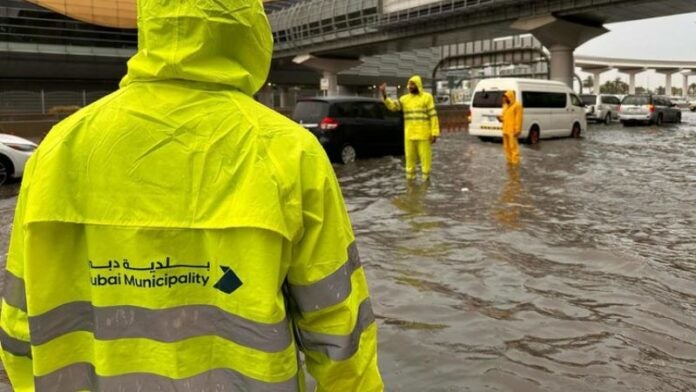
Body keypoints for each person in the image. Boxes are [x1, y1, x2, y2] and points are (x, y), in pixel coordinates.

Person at [0, 1, 384, 391]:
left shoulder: (59, 149)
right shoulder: (289, 152)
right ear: (250, 32)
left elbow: (18, 323)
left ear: (151, 27)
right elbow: (338, 323)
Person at [380, 76, 440, 181]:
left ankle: (425, 182)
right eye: (409, 84)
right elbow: (393, 106)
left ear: (418, 85)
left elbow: (433, 116)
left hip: (424, 134)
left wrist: (434, 133)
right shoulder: (404, 99)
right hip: (409, 135)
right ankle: (410, 183)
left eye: (412, 84)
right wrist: (384, 95)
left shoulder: (427, 97)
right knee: (409, 159)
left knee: (425, 160)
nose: (410, 86)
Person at [498, 90, 523, 165]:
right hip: (505, 129)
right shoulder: (505, 106)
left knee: (513, 147)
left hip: (512, 130)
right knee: (506, 147)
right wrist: (500, 119)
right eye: (504, 98)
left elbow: (519, 119)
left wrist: (518, 130)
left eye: (505, 97)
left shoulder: (517, 106)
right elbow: (504, 117)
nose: (504, 99)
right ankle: (509, 162)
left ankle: (515, 163)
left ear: (509, 97)